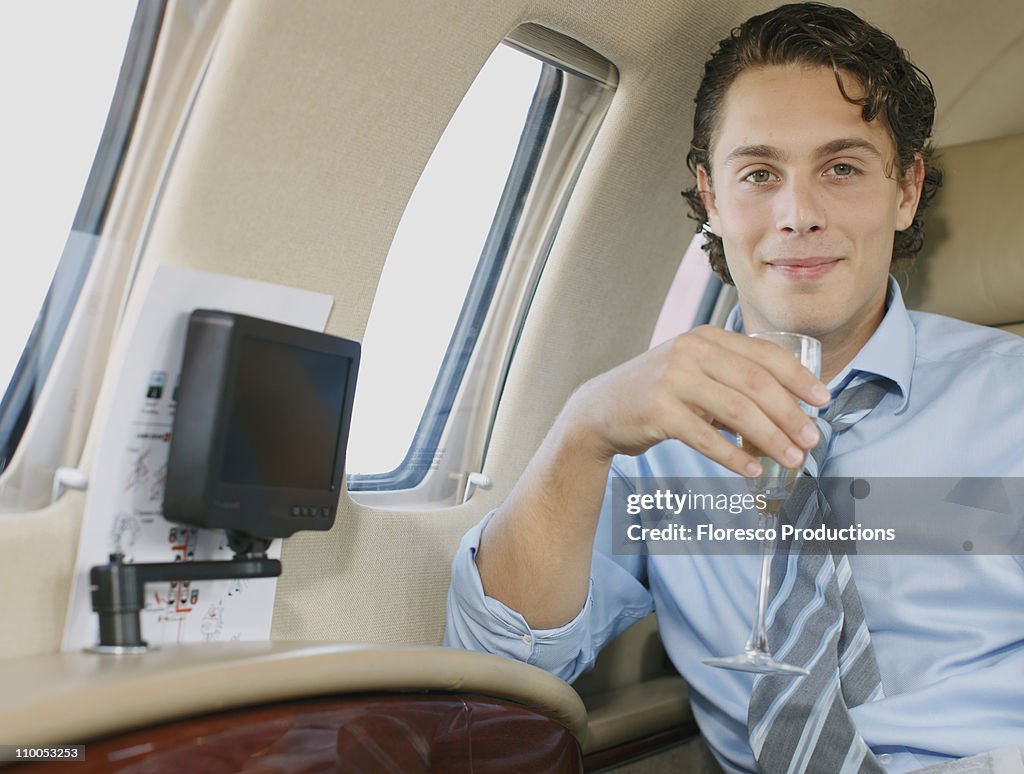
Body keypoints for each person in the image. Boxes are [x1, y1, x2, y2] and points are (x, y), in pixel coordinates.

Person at [445, 3, 1024, 772]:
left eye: (842, 168)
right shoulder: (650, 436)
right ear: (712, 199)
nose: (798, 215)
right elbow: (499, 678)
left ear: (908, 188)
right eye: (758, 175)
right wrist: (582, 429)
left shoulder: (1010, 399)